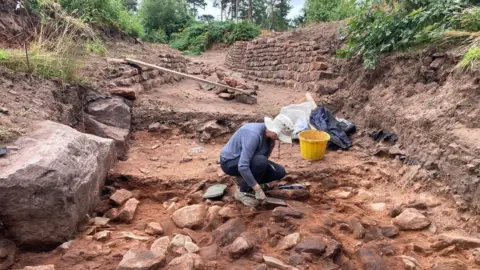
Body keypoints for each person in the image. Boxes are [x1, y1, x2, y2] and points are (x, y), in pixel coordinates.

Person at [220, 114, 294, 207]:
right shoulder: (253, 135)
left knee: (279, 172)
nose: (280, 139)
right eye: (280, 135)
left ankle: (246, 181)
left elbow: (262, 165)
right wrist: (257, 188)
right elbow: (243, 166)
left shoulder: (271, 140)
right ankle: (243, 192)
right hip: (230, 162)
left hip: (250, 161)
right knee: (261, 161)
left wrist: (255, 182)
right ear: (274, 130)